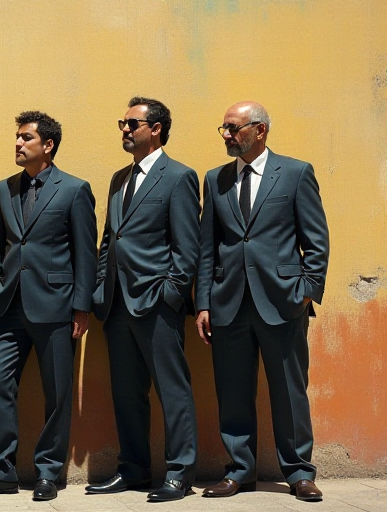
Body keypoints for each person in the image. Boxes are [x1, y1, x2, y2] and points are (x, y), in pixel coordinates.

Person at [0, 111, 96, 502]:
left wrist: (81, 307)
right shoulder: (4, 189)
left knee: (58, 392)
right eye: (17, 138)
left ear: (47, 145)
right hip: (8, 307)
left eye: (26, 138)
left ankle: (48, 473)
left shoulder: (74, 189)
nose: (18, 144)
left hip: (57, 307)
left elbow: (85, 252)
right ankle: (1, 471)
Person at [195, 101, 329, 502]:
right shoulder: (215, 179)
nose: (228, 135)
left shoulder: (295, 172)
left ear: (260, 130)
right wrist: (203, 302)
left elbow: (316, 240)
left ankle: (299, 472)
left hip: (282, 300)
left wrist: (306, 291)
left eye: (234, 128)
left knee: (289, 389)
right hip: (228, 301)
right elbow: (208, 247)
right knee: (233, 390)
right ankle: (239, 470)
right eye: (223, 129)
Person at [87, 97, 200, 502]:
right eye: (123, 122)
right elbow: (108, 241)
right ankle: (133, 469)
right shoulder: (119, 178)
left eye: (132, 123)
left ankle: (179, 473)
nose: (124, 129)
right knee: (127, 392)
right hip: (117, 304)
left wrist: (168, 294)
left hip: (156, 304)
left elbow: (188, 249)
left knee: (173, 390)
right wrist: (102, 289)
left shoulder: (179, 177)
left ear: (156, 128)